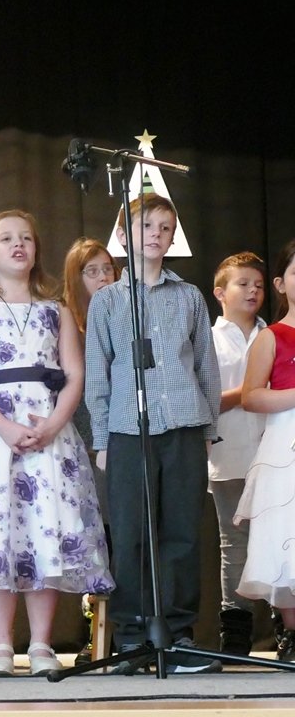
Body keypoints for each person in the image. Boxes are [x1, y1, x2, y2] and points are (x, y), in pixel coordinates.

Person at [0, 209, 112, 677]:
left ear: (35, 250)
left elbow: (75, 375)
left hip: (49, 437)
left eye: (26, 238)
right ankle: (0, 643)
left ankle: (42, 643)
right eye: (6, 239)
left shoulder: (56, 310)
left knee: (43, 530)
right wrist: (6, 428)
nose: (17, 245)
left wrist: (52, 424)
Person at [86, 194, 221, 675]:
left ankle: (178, 637)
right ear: (124, 235)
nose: (156, 235)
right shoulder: (107, 301)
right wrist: (102, 438)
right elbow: (98, 373)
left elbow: (205, 365)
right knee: (131, 536)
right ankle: (131, 636)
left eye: (165, 228)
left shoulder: (188, 296)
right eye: (147, 226)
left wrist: (208, 429)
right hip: (128, 430)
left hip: (184, 427)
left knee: (181, 535)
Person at [234, 240, 295, 659]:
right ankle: (291, 630)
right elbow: (251, 396)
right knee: (286, 532)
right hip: (286, 443)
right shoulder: (271, 337)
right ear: (280, 283)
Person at [62, 237, 120, 664]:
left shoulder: (126, 316)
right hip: (81, 445)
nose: (102, 278)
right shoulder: (67, 325)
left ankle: (127, 629)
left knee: (123, 537)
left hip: (125, 438)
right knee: (93, 543)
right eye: (92, 271)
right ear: (75, 279)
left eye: (107, 269)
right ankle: (97, 636)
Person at [208, 253, 267, 656]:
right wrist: (249, 393)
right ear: (220, 292)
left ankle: (284, 625)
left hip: (275, 453)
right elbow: (204, 400)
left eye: (258, 285)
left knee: (280, 538)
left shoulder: (273, 334)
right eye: (242, 284)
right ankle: (235, 631)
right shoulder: (208, 340)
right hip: (228, 454)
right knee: (235, 544)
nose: (252, 291)